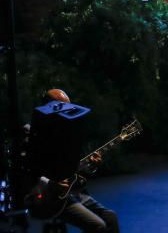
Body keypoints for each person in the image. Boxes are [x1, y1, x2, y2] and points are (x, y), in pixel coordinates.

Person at [24, 89, 120, 233]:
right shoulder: (31, 133)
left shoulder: (67, 135)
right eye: (62, 107)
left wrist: (91, 166)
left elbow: (73, 168)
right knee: (98, 226)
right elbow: (27, 170)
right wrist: (50, 184)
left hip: (72, 193)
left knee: (111, 217)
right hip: (48, 198)